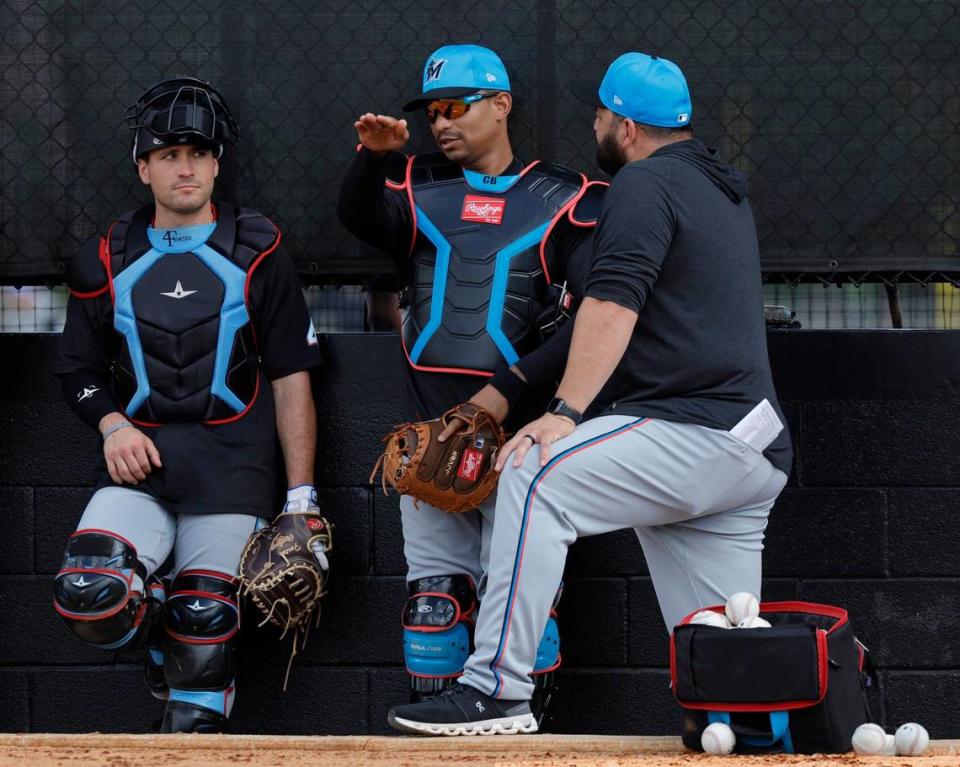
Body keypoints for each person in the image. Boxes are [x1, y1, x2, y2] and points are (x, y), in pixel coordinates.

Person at [386, 51, 793, 736]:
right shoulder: (722, 191)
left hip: (694, 428)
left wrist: (564, 412)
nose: (595, 122)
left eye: (601, 112)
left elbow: (610, 308)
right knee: (725, 651)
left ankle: (496, 689)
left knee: (532, 472)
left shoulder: (644, 184)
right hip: (752, 449)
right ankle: (759, 724)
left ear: (627, 128)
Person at [337, 44, 605, 711]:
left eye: (455, 106)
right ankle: (437, 734)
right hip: (434, 432)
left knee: (526, 617)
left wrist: (517, 388)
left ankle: (526, 735)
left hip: (523, 441)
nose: (441, 123)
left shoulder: (567, 199)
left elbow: (594, 317)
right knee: (433, 616)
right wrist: (373, 158)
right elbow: (358, 216)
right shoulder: (415, 184)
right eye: (432, 111)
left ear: (502, 106)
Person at [52, 77, 323, 734]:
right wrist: (112, 422)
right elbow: (77, 371)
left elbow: (292, 380)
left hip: (232, 472)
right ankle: (156, 624)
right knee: (90, 591)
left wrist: (301, 504)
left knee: (202, 628)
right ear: (142, 166)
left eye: (198, 154)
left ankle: (187, 643)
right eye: (169, 154)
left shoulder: (258, 251)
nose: (186, 167)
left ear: (216, 163)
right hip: (139, 467)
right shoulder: (108, 255)